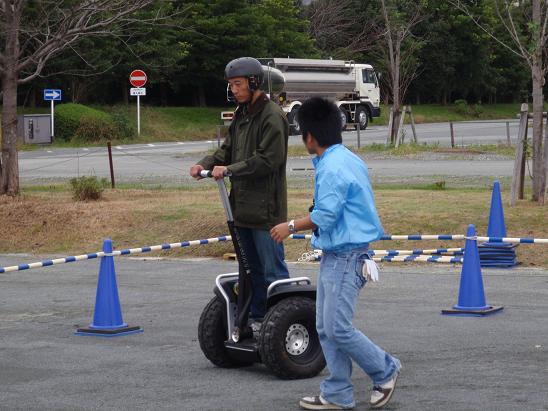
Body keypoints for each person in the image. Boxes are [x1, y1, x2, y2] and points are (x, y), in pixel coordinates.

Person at [270, 97, 401, 410]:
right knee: (326, 328)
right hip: (340, 255)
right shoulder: (346, 158)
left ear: (310, 137)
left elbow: (325, 215)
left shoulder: (331, 167)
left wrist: (290, 226)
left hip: (346, 257)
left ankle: (385, 370)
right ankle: (338, 392)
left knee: (337, 328)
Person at [190, 57, 290, 326]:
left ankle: (283, 323)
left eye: (238, 84)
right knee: (250, 271)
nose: (233, 89)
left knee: (273, 273)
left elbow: (268, 160)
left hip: (267, 212)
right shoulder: (241, 114)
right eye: (231, 85)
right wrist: (204, 164)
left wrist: (229, 170)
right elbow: (226, 150)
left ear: (253, 82)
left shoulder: (272, 115)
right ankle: (257, 320)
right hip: (242, 209)